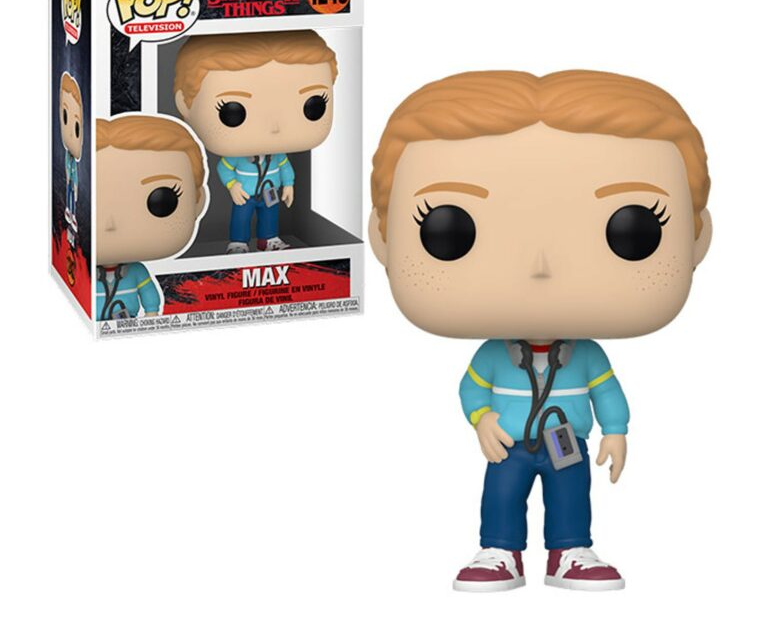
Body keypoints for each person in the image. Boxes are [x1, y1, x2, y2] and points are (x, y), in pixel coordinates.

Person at [369, 70, 711, 591]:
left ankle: (570, 552)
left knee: (571, 495)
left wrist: (616, 430)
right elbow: (470, 389)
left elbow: (608, 393)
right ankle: (499, 552)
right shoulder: (493, 353)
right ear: (383, 239)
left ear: (697, 239)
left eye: (634, 228)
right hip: (509, 442)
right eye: (449, 228)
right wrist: (482, 420)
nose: (540, 267)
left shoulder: (586, 354)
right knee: (500, 495)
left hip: (563, 439)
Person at [174, 30, 338, 253]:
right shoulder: (237, 156)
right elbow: (224, 168)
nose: (274, 127)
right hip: (246, 193)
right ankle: (238, 243)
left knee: (270, 216)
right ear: (184, 104)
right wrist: (232, 186)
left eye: (314, 105)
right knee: (241, 219)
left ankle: (269, 240)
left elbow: (285, 167)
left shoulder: (277, 154)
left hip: (270, 190)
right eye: (232, 111)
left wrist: (289, 184)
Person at [95, 115, 208, 320]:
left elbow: (148, 292)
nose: (110, 224)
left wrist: (152, 312)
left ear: (198, 203)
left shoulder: (136, 271)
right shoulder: (83, 272)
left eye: (162, 200)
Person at [60, 72, 83, 234]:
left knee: (71, 193)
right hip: (70, 180)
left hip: (72, 180)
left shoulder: (72, 159)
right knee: (69, 192)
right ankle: (70, 211)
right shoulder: (69, 157)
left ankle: (72, 212)